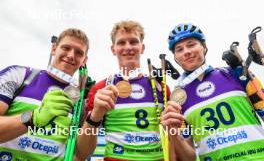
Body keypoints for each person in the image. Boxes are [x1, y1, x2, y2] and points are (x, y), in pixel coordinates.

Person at [161, 23, 264, 161]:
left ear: (204, 47)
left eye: (191, 44)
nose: (186, 51)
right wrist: (173, 134)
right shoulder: (177, 99)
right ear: (175, 58)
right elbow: (189, 158)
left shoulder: (237, 73)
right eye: (179, 49)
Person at [0, 28, 97, 161]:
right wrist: (33, 118)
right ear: (54, 48)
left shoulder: (80, 101)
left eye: (78, 53)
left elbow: (78, 156)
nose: (71, 55)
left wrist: (96, 117)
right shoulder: (18, 74)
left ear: (84, 60)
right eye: (66, 48)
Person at [81, 20, 169, 161]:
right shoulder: (100, 88)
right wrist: (95, 116)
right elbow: (82, 153)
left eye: (133, 42)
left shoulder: (161, 86)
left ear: (142, 47)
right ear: (113, 49)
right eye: (121, 43)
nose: (128, 47)